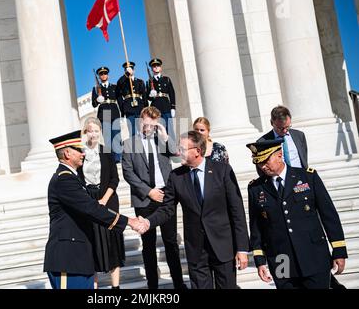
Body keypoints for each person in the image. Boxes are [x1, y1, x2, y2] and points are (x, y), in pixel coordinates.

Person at [143, 131, 250, 289]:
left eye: (183, 149)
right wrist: (148, 221)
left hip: (223, 246)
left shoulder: (222, 171)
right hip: (196, 250)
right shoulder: (176, 176)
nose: (179, 152)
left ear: (198, 151)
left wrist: (242, 248)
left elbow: (237, 211)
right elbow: (167, 209)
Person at [43, 130, 146, 289]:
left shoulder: (71, 177)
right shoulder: (64, 179)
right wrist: (129, 221)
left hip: (78, 259)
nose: (83, 153)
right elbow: (91, 208)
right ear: (68, 153)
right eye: (79, 150)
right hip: (68, 260)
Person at [258, 106, 345, 288]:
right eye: (261, 162)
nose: (263, 165)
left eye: (287, 126)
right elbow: (258, 225)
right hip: (282, 257)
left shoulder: (310, 176)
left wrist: (338, 249)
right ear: (272, 123)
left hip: (310, 244)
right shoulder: (257, 189)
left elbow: (329, 215)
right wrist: (259, 259)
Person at [122, 106, 186, 289]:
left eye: (152, 124)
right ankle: (153, 285)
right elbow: (128, 172)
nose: (147, 127)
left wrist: (165, 134)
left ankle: (179, 283)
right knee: (148, 244)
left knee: (171, 241)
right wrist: (149, 191)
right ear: (140, 120)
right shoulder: (129, 143)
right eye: (145, 122)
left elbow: (177, 153)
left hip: (166, 196)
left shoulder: (162, 140)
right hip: (144, 199)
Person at [78, 118, 125, 289]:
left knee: (112, 243)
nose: (94, 134)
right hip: (89, 199)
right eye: (91, 130)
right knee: (94, 243)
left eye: (97, 131)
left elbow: (115, 178)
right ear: (86, 132)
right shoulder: (81, 153)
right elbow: (78, 180)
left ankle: (115, 287)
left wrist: (104, 199)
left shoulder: (107, 151)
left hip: (108, 199)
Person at [92, 66, 122, 163]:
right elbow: (94, 104)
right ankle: (111, 159)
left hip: (114, 111)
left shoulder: (114, 87)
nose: (103, 75)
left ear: (107, 75)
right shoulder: (96, 89)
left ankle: (118, 157)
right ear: (99, 76)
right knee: (108, 137)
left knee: (116, 136)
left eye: (105, 73)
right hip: (104, 113)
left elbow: (120, 100)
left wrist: (123, 111)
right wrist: (97, 99)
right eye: (101, 74)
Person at [146, 58, 176, 138]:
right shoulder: (149, 82)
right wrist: (150, 95)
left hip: (166, 106)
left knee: (169, 129)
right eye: (154, 66)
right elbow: (147, 98)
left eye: (157, 65)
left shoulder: (167, 79)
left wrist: (173, 107)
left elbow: (172, 93)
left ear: (160, 67)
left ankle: (172, 148)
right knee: (158, 129)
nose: (156, 67)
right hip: (155, 108)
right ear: (152, 69)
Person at [116, 61, 147, 137]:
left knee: (143, 129)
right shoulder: (122, 82)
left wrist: (146, 109)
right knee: (132, 131)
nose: (129, 70)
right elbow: (118, 87)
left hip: (140, 108)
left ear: (134, 70)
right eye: (126, 69)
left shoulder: (140, 81)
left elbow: (144, 96)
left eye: (131, 69)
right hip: (129, 108)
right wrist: (122, 110)